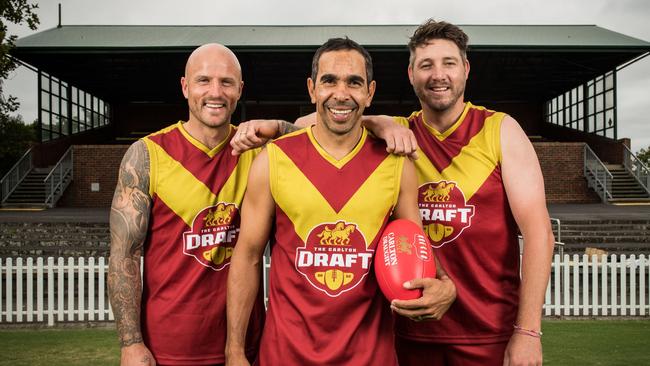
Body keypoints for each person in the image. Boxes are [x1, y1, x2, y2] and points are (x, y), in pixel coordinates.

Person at [235, 19, 555, 366]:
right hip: (408, 329)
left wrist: (527, 331)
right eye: (426, 65)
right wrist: (278, 127)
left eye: (448, 63)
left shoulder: (500, 130)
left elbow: (539, 234)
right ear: (410, 74)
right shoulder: (398, 136)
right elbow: (329, 124)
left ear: (465, 68)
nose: (438, 75)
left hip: (487, 329)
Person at [224, 37, 455, 366]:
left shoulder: (396, 164)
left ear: (370, 92)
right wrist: (234, 350)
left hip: (371, 357)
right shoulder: (274, 159)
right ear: (312, 88)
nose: (341, 94)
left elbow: (415, 247)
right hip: (284, 355)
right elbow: (246, 257)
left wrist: (444, 284)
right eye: (329, 80)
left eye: (354, 82)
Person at [108, 43, 295, 366]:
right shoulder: (147, 155)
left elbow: (324, 136)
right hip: (167, 347)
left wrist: (278, 126)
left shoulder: (261, 153)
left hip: (244, 347)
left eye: (226, 82)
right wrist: (131, 343)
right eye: (203, 80)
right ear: (185, 87)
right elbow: (124, 255)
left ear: (240, 90)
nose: (215, 92)